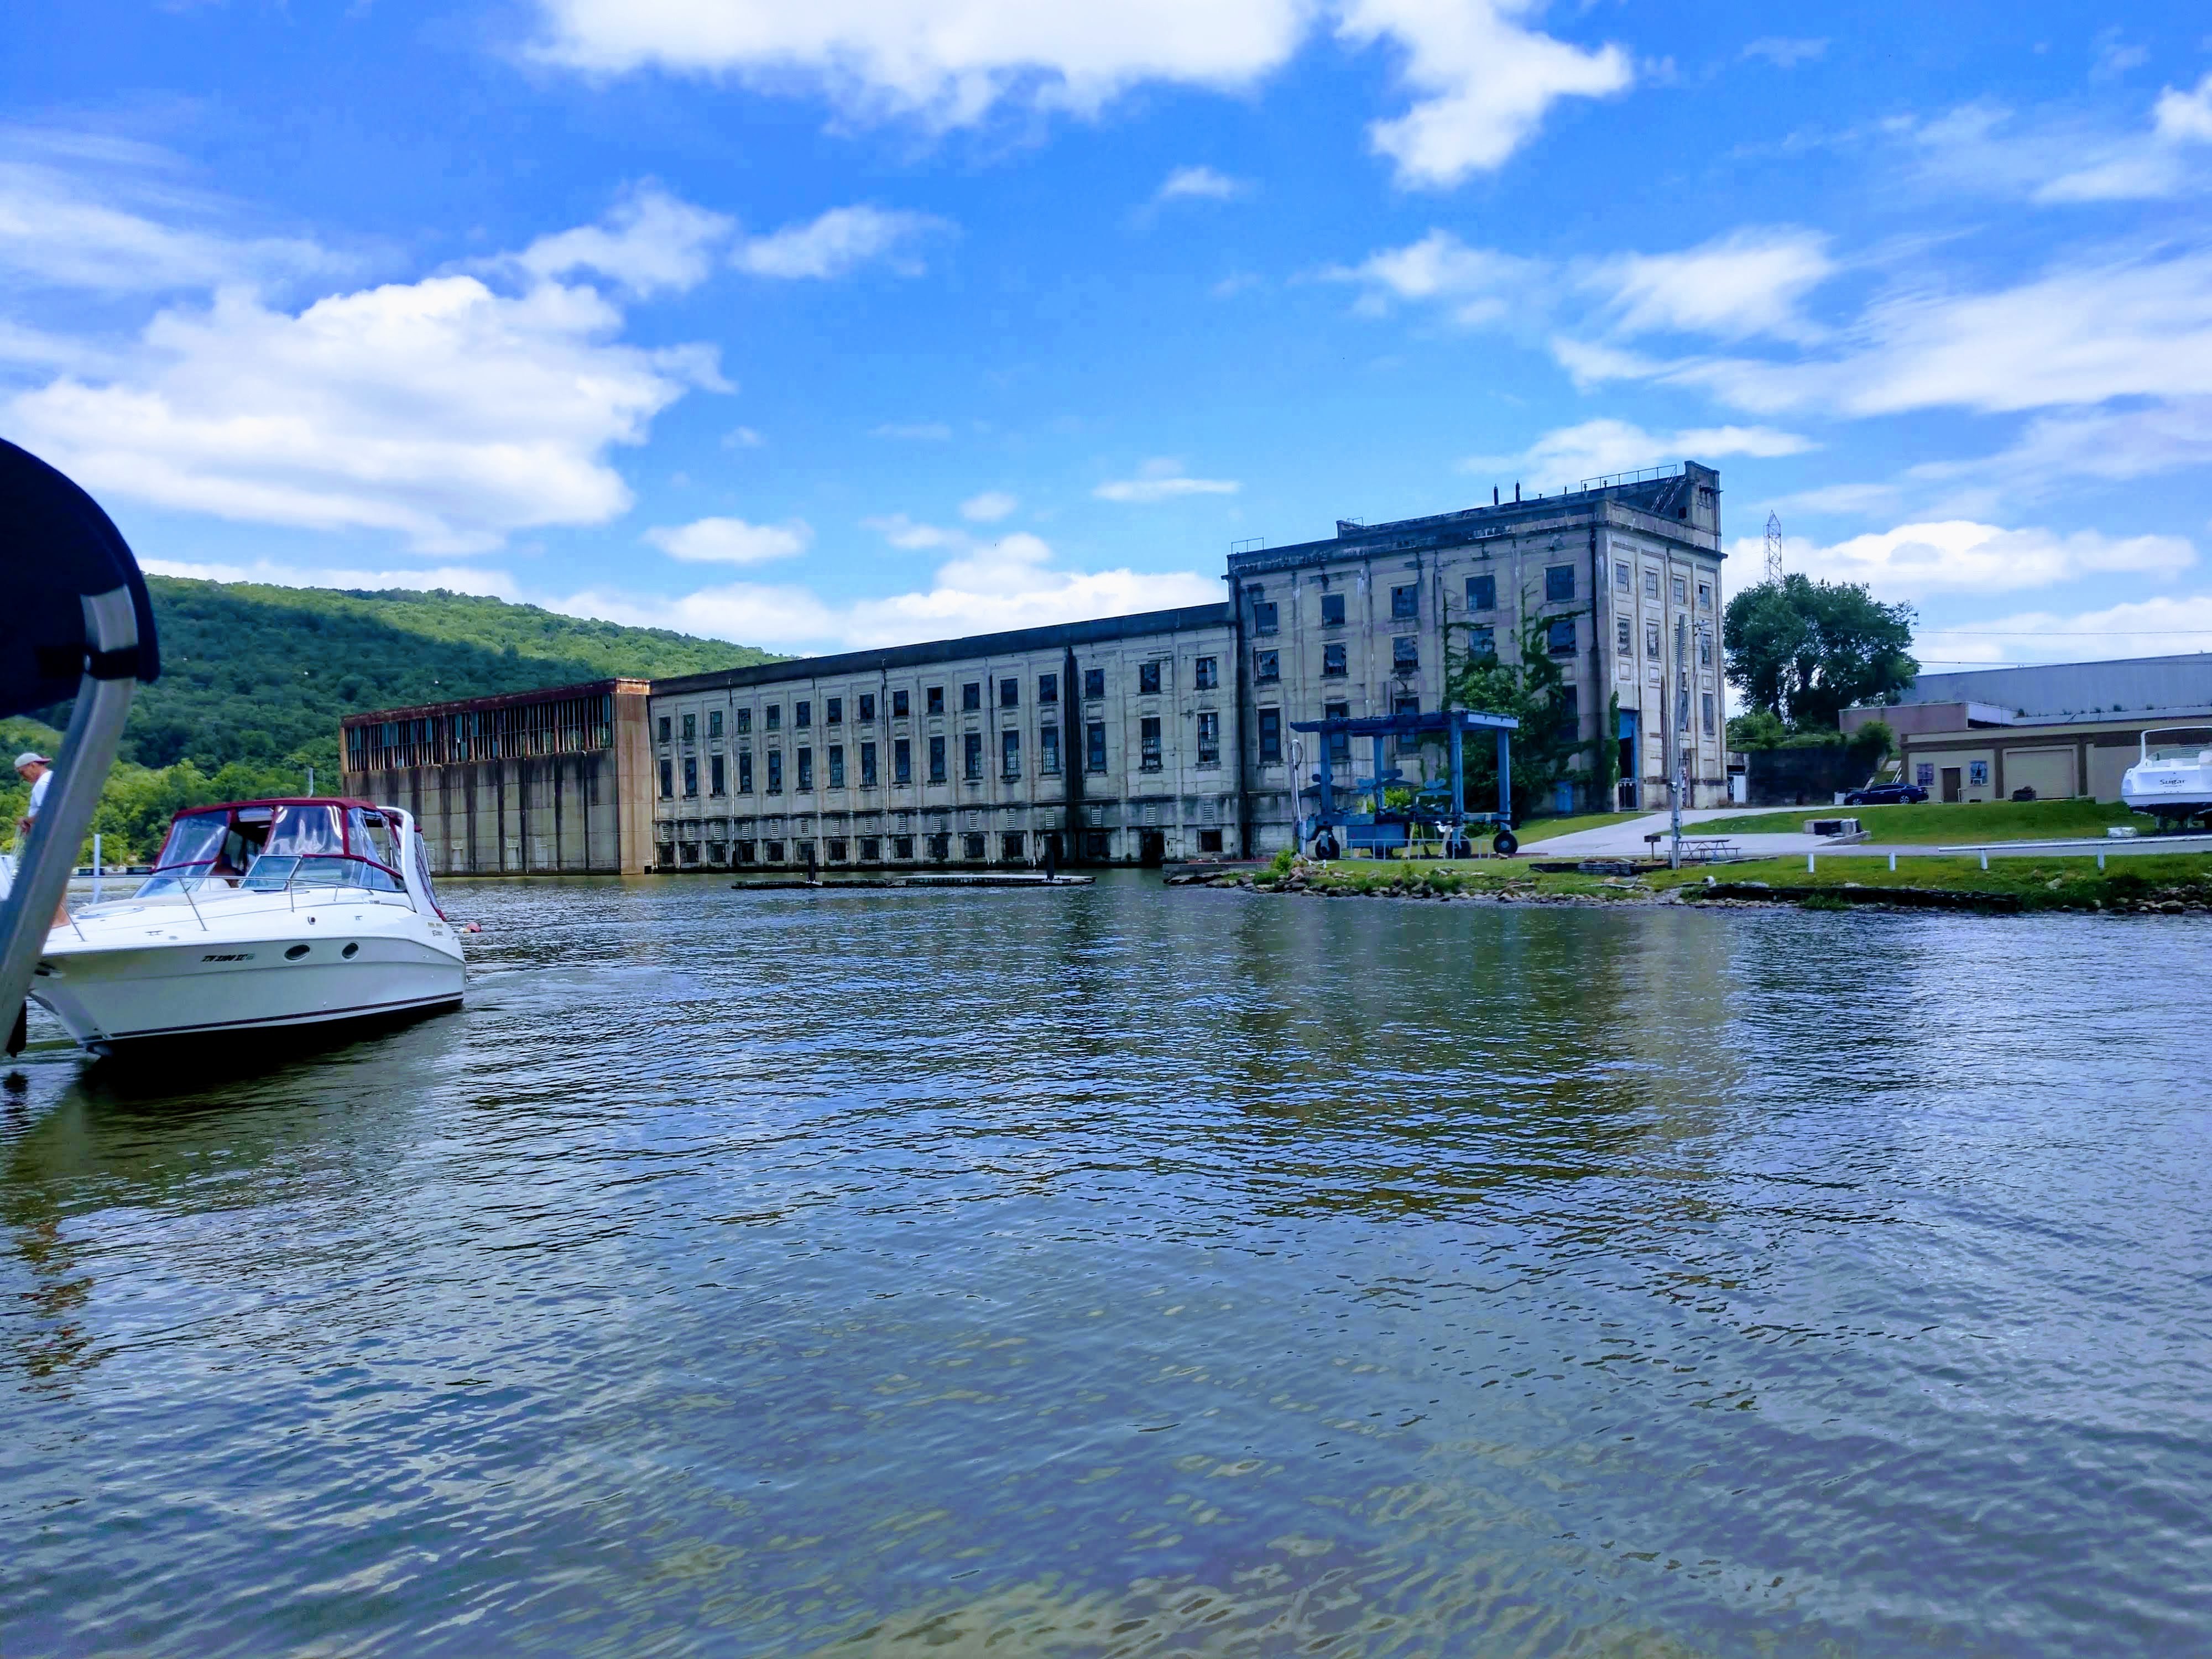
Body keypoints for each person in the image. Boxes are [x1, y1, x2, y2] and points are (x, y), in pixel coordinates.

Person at [14, 752, 69, 928]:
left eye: (22, 773)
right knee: (56, 876)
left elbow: (49, 809)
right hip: (58, 835)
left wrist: (27, 821)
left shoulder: (43, 783)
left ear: (33, 765)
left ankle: (59, 919)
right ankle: (61, 918)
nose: (24, 778)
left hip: (50, 837)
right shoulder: (52, 779)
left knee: (47, 877)